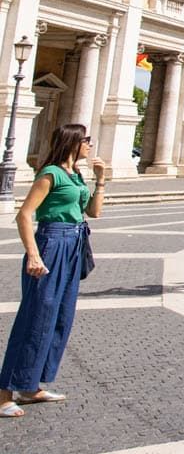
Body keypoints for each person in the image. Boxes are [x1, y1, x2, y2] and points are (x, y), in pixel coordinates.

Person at [0, 124, 107, 417]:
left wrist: (101, 181)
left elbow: (94, 213)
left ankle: (30, 385)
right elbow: (24, 215)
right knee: (35, 316)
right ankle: (3, 393)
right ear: (73, 142)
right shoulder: (51, 174)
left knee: (60, 317)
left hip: (74, 244)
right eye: (86, 140)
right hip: (51, 244)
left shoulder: (76, 175)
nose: (89, 145)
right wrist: (33, 254)